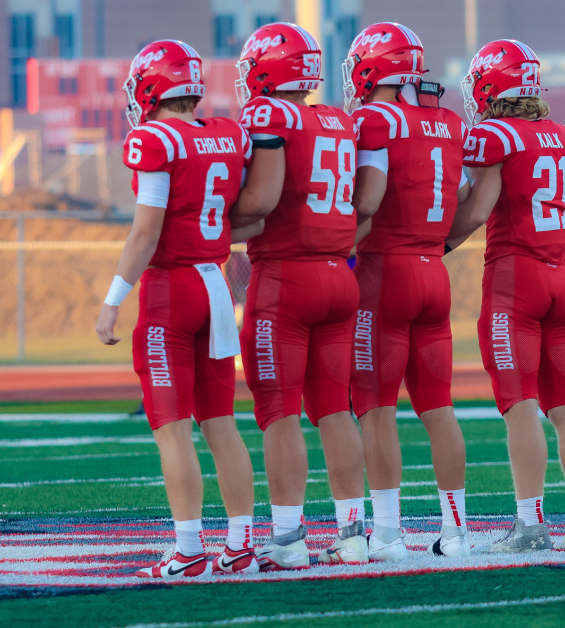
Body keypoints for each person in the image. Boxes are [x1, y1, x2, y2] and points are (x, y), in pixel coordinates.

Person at [94, 39, 261, 578]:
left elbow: (145, 234)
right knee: (221, 423)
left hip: (172, 290)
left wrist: (111, 302)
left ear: (150, 87)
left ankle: (188, 551)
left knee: (172, 427)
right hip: (216, 284)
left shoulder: (154, 138)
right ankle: (240, 545)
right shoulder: (227, 135)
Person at [448, 39, 565, 551]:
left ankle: (531, 525)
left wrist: (435, 242)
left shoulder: (494, 134)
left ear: (494, 84)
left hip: (516, 279)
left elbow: (475, 211)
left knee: (520, 405)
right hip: (561, 277)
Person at [230, 22, 370, 568]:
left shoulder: (271, 114)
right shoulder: (338, 118)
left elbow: (262, 201)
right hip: (340, 274)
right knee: (336, 408)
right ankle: (352, 533)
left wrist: (210, 224)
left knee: (280, 412)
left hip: (287, 277)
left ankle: (288, 539)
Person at [343, 22, 473, 560]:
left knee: (376, 409)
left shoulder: (373, 119)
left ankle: (389, 534)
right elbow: (464, 196)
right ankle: (457, 532)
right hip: (433, 270)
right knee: (438, 406)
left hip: (383, 273)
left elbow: (367, 204)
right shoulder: (446, 121)